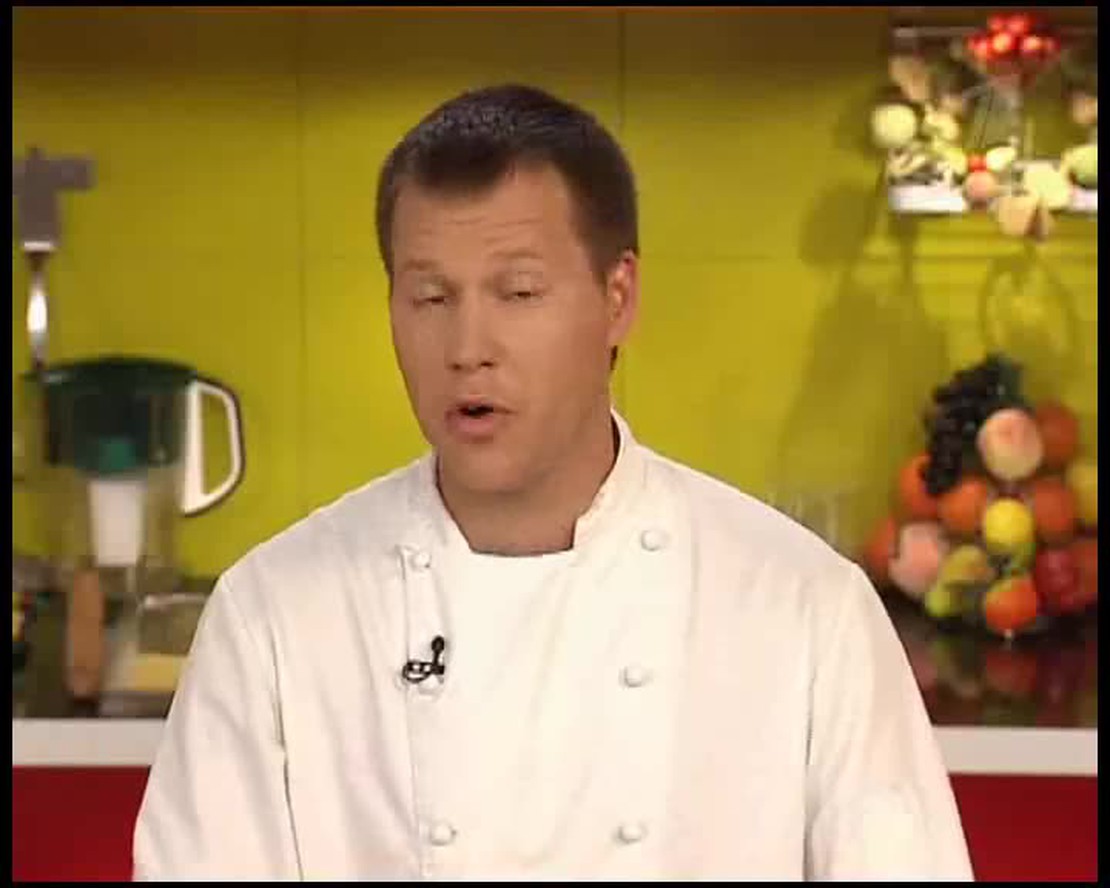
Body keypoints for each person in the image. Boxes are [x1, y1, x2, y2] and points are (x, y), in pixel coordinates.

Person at [133, 84, 973, 881]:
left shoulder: (803, 607)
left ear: (618, 298)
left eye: (519, 292)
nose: (469, 348)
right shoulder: (276, 615)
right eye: (430, 297)